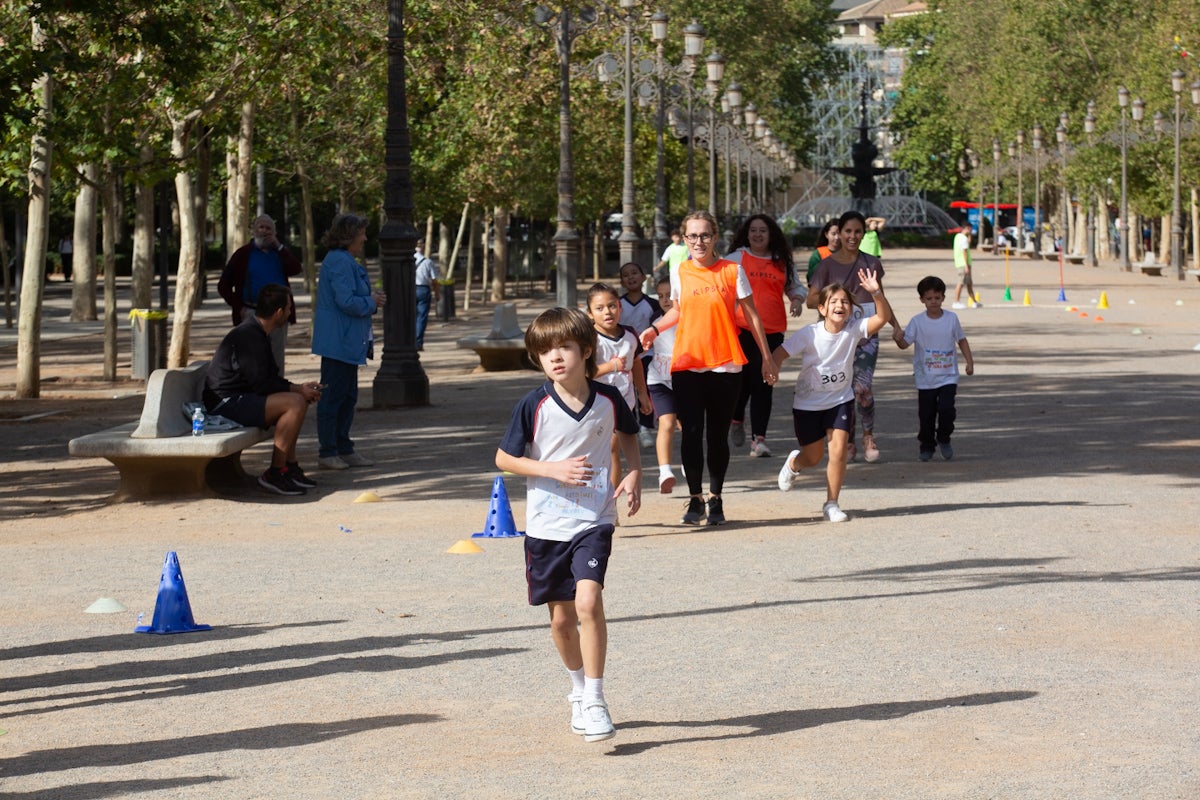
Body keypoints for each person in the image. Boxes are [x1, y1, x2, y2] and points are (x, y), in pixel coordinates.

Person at [495, 306, 641, 744]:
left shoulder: (609, 399)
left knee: (588, 600)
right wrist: (550, 470)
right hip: (546, 525)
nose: (555, 357)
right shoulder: (533, 404)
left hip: (593, 519)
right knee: (561, 621)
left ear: (586, 349)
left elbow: (629, 436)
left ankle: (596, 698)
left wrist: (634, 472)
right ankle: (577, 689)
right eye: (545, 352)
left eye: (564, 347)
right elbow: (503, 459)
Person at [638, 210, 777, 526]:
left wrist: (767, 357)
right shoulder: (680, 271)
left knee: (716, 436)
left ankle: (716, 498)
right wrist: (655, 329)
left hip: (726, 364)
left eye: (704, 235)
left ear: (715, 237)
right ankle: (695, 499)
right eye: (692, 236)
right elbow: (678, 311)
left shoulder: (732, 270)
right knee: (690, 435)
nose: (698, 241)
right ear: (684, 239)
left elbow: (753, 316)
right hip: (687, 362)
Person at [774, 269, 892, 522]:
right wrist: (771, 368)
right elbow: (780, 353)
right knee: (813, 457)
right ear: (822, 308)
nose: (840, 305)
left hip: (840, 401)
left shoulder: (854, 329)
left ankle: (832, 503)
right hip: (807, 404)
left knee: (838, 451)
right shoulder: (809, 334)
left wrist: (876, 293)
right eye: (834, 302)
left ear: (851, 309)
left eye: (845, 302)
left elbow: (883, 317)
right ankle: (794, 463)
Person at [203, 283, 323, 496]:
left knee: (298, 400)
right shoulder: (249, 336)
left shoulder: (258, 332)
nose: (289, 312)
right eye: (288, 308)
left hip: (242, 397)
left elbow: (267, 379)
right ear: (278, 312)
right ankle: (274, 473)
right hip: (226, 403)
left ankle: (289, 467)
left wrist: (299, 389)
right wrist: (296, 389)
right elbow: (261, 383)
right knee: (294, 402)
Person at [808, 210, 899, 464]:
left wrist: (896, 326)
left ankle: (868, 435)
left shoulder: (872, 263)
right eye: (848, 231)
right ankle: (846, 439)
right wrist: (836, 300)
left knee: (862, 387)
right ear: (840, 232)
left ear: (863, 234)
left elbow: (881, 297)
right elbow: (810, 300)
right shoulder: (826, 264)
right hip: (836, 337)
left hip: (866, 334)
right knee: (841, 388)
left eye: (858, 231)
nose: (852, 236)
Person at [726, 214, 806, 458]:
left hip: (772, 331)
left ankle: (759, 439)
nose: (758, 235)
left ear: (771, 234)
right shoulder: (736, 258)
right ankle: (736, 418)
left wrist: (797, 299)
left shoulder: (781, 261)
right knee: (742, 382)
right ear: (746, 234)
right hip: (742, 329)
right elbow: (719, 283)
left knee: (764, 382)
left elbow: (795, 286)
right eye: (753, 230)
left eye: (763, 230)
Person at [311, 213, 385, 471]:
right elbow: (346, 301)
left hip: (346, 341)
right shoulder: (340, 262)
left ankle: (343, 447)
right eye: (362, 233)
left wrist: (370, 299)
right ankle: (328, 451)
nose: (365, 238)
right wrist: (371, 302)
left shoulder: (342, 260)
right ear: (349, 235)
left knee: (347, 396)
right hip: (338, 341)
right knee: (334, 397)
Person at [894, 275, 974, 461]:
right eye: (929, 299)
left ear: (943, 298)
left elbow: (961, 340)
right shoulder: (917, 321)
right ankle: (927, 445)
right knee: (926, 415)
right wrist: (898, 338)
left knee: (947, 410)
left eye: (937, 298)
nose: (933, 302)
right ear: (922, 299)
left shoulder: (951, 319)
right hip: (925, 379)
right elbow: (905, 344)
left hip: (948, 376)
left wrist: (969, 362)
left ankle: (944, 438)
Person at [587, 282, 652, 489]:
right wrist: (610, 366)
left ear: (620, 307)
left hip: (623, 403)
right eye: (599, 308)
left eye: (612, 306)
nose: (607, 312)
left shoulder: (630, 335)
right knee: (597, 453)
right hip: (592, 405)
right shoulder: (589, 339)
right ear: (589, 313)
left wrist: (642, 394)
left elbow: (637, 362)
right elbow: (581, 372)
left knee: (612, 450)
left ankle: (609, 505)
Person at [218, 214, 302, 373]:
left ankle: (277, 394)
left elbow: (295, 268)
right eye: (261, 227)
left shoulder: (279, 253)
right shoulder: (243, 254)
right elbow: (223, 285)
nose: (264, 231)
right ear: (253, 231)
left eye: (268, 228)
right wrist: (240, 308)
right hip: (252, 312)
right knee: (251, 358)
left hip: (278, 315)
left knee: (276, 360)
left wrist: (279, 246)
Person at [616, 261, 662, 448]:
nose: (631, 277)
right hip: (624, 356)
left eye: (635, 273)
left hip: (647, 355)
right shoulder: (618, 305)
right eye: (626, 275)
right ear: (622, 281)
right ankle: (629, 426)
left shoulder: (653, 304)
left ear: (643, 277)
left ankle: (645, 426)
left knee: (647, 390)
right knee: (626, 391)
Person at [646, 276, 679, 493]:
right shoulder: (654, 319)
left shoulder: (689, 318)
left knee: (688, 427)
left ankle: (688, 463)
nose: (666, 300)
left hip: (685, 380)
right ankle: (665, 471)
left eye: (670, 295)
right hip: (658, 380)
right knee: (666, 424)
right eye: (661, 296)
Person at [414, 238, 440, 350]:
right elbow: (434, 280)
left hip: (410, 289)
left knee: (410, 316)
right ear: (423, 247)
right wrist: (437, 294)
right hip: (423, 289)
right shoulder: (428, 262)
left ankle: (409, 341)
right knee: (421, 317)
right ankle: (418, 342)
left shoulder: (409, 260)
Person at [951, 223, 979, 309]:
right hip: (963, 264)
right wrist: (966, 266)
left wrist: (969, 235)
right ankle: (956, 302)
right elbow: (964, 252)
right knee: (961, 282)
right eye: (970, 229)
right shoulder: (963, 239)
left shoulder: (958, 237)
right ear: (967, 228)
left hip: (960, 262)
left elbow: (968, 243)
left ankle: (974, 301)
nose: (971, 231)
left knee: (969, 283)